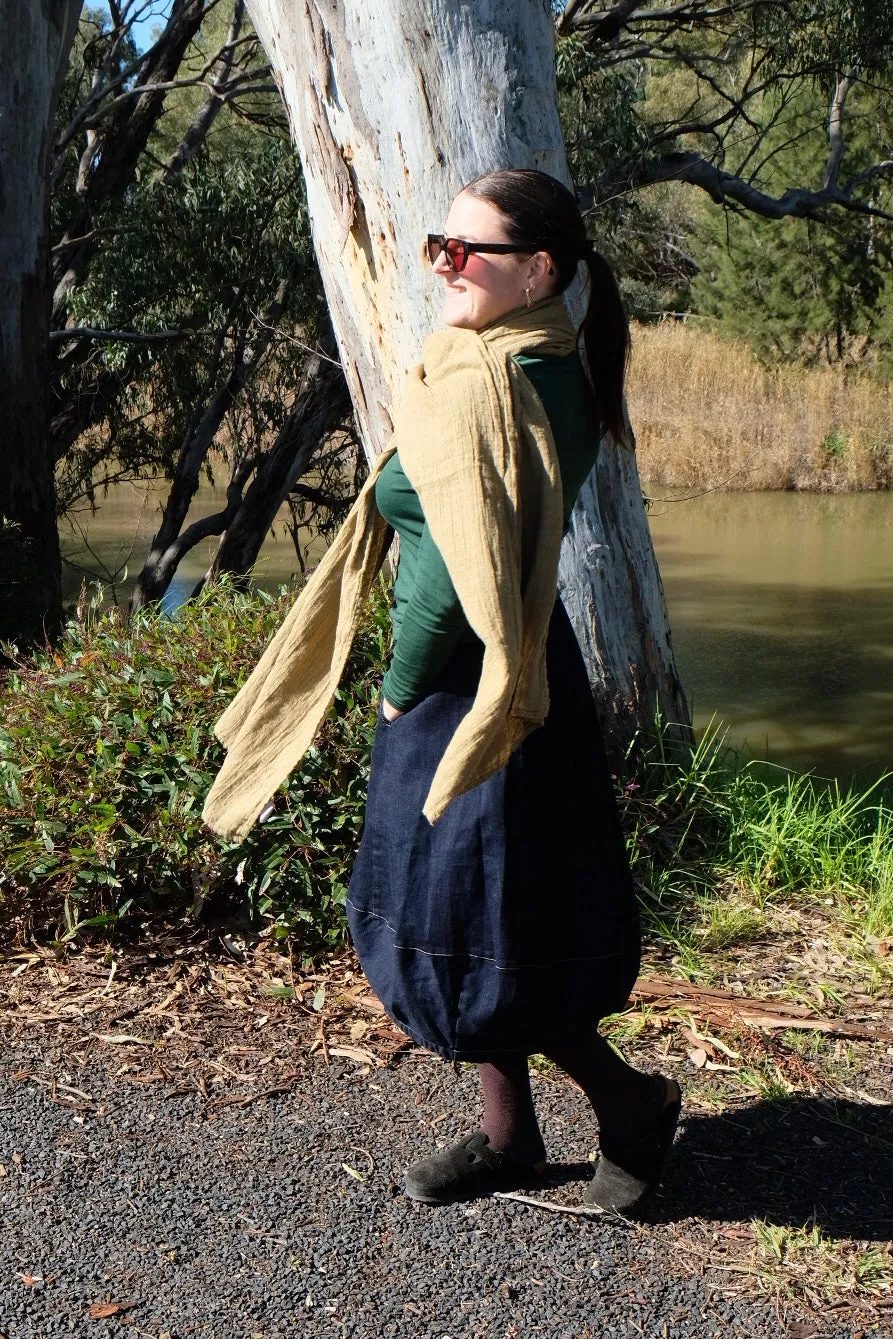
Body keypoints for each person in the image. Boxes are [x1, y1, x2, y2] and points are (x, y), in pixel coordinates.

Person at [203, 167, 680, 1212]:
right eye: (438, 244)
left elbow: (438, 581)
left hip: (469, 678)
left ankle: (629, 1103)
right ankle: (508, 1135)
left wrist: (398, 688)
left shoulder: (499, 382)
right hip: (521, 660)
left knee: (490, 919)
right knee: (487, 911)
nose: (443, 267)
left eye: (467, 251)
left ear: (538, 270)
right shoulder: (521, 358)